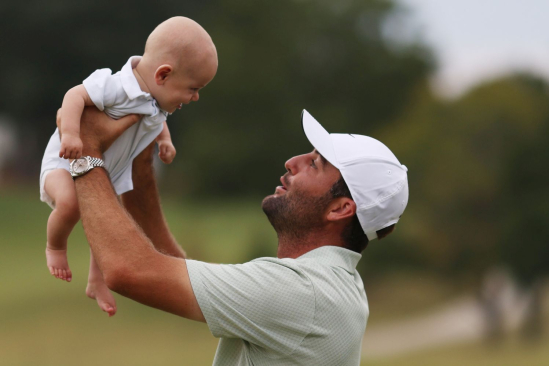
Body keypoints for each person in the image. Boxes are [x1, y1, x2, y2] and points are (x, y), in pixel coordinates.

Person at [62, 108, 409, 365]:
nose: (292, 161)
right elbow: (172, 268)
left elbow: (129, 270)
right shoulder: (332, 283)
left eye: (315, 164)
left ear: (340, 209)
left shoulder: (304, 292)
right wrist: (140, 158)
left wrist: (86, 150)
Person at [39, 16, 218, 316]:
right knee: (69, 205)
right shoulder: (114, 85)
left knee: (112, 228)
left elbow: (156, 121)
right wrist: (70, 133)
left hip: (104, 174)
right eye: (192, 88)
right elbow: (74, 96)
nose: (195, 97)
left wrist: (165, 142)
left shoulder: (157, 101)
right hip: (64, 160)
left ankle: (97, 279)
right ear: (163, 75)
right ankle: (54, 247)